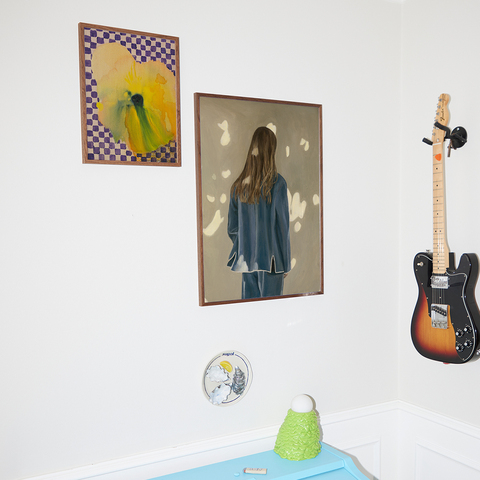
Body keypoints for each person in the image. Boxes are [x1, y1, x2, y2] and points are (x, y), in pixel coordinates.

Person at [227, 126, 291, 299]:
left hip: (246, 262)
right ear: (271, 151)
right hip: (272, 263)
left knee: (249, 310)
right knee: (272, 310)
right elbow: (283, 228)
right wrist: (285, 264)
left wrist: (246, 246)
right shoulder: (278, 184)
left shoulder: (238, 186)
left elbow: (232, 228)